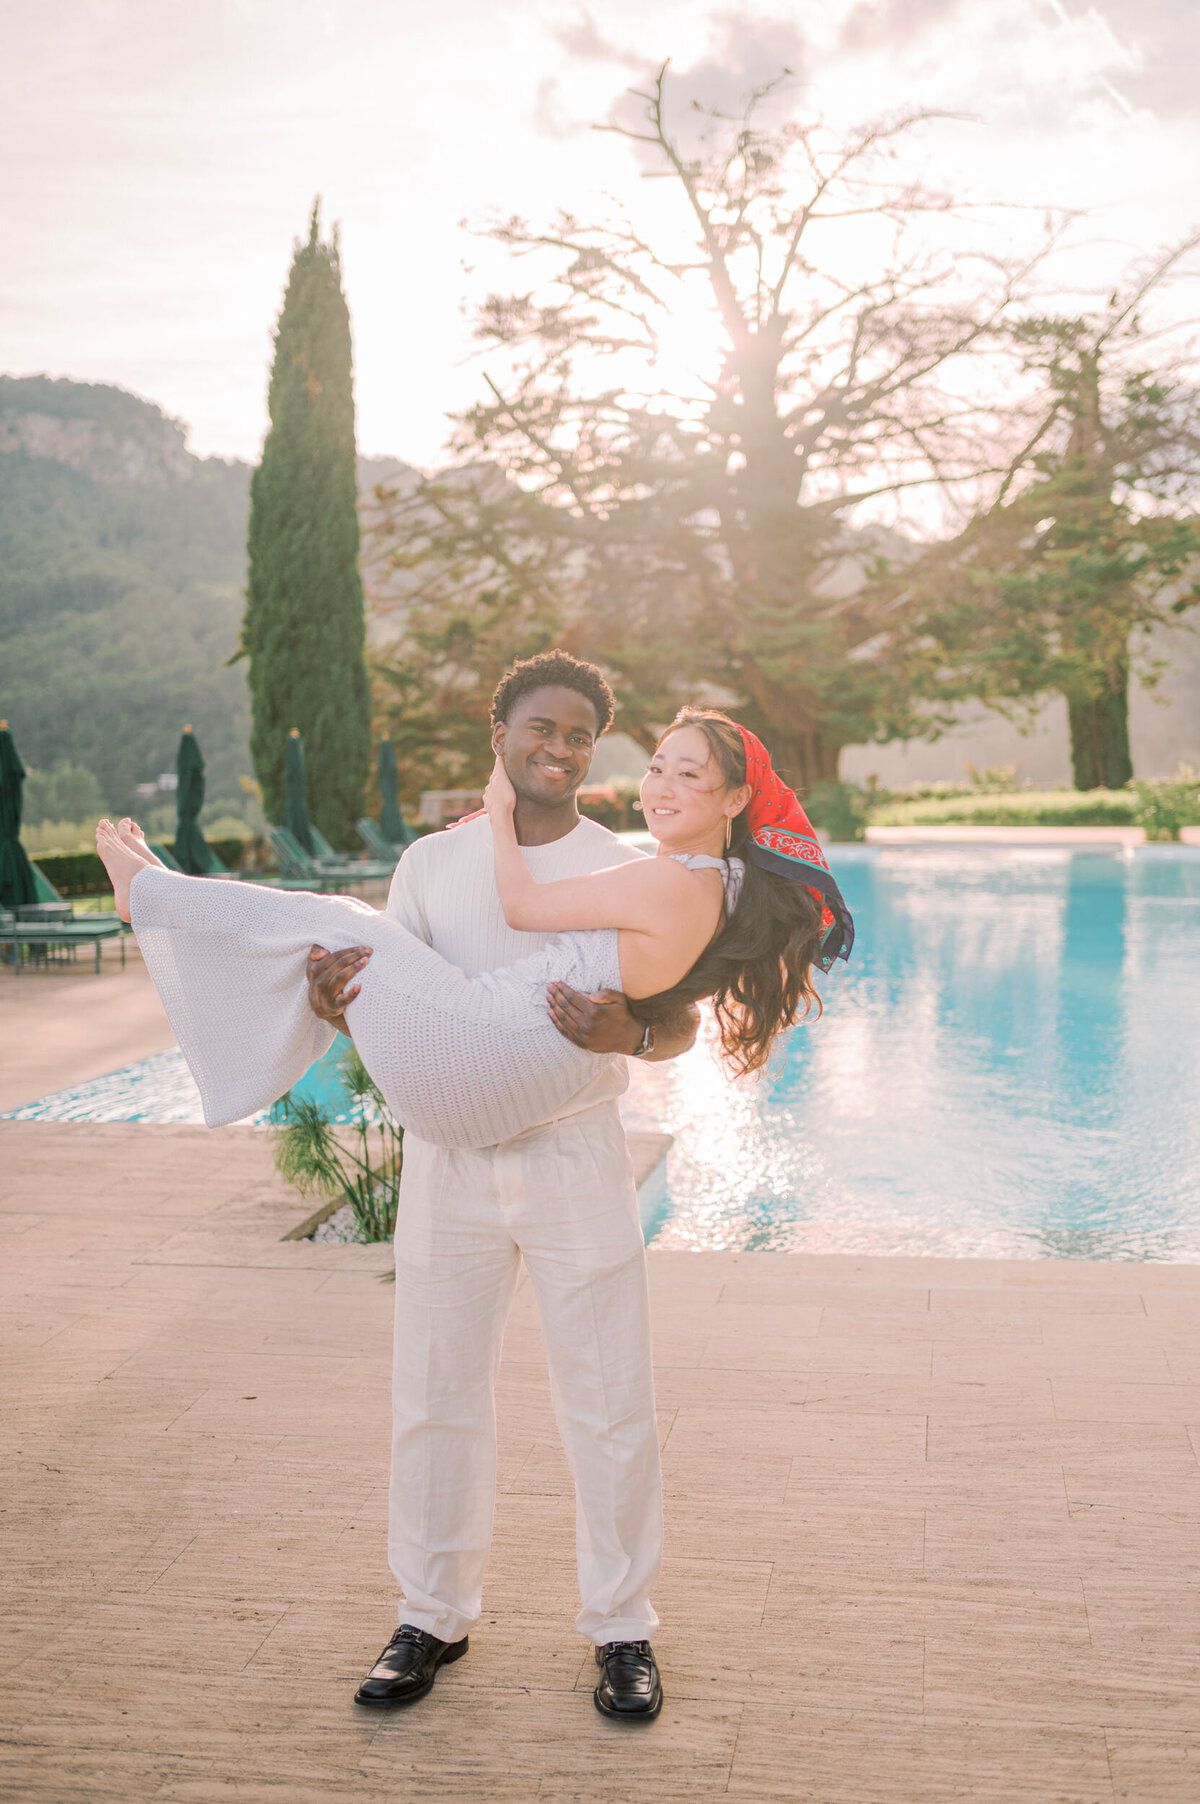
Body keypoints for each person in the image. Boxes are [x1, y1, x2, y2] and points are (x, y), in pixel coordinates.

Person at [94, 655, 853, 1719]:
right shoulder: (428, 864)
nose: (560, 749)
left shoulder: (626, 856)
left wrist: (633, 1031)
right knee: (435, 1391)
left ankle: (624, 1628)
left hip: (570, 1151)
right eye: (541, 729)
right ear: (499, 734)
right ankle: (431, 1613)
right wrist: (331, 1000)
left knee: (609, 1397)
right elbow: (407, 1003)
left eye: (581, 736)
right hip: (450, 1163)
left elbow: (675, 1016)